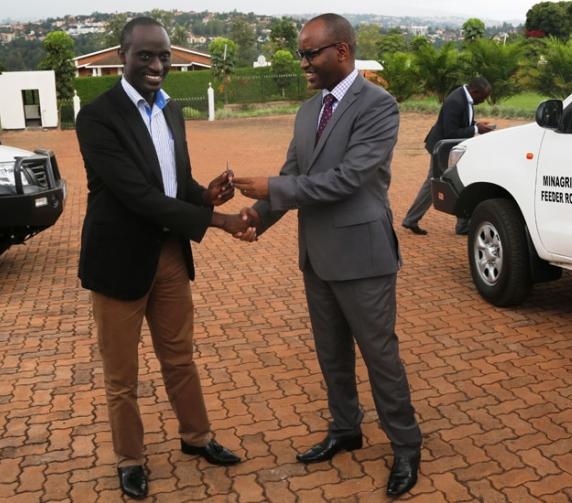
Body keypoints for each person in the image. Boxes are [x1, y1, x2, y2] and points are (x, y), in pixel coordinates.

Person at [232, 13, 423, 498]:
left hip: (363, 256)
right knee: (332, 355)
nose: (303, 63)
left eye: (311, 53)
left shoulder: (379, 107)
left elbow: (347, 180)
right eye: (301, 54)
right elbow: (294, 176)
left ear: (341, 51)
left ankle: (405, 445)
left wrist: (274, 186)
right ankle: (346, 429)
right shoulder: (306, 112)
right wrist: (255, 217)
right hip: (316, 256)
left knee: (380, 355)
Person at [75, 17, 252, 500]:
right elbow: (137, 196)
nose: (158, 65)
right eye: (146, 55)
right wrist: (222, 223)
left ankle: (197, 439)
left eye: (165, 56)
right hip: (119, 262)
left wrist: (204, 197)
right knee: (121, 375)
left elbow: (173, 182)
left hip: (169, 254)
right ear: (122, 55)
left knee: (180, 358)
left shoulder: (171, 110)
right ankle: (130, 459)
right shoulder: (97, 116)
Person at [401, 77, 494, 236]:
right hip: (443, 148)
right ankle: (413, 219)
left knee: (456, 181)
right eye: (483, 98)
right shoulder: (456, 101)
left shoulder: (465, 97)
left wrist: (476, 125)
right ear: (475, 92)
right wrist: (476, 130)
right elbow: (450, 133)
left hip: (450, 148)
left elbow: (461, 123)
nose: (483, 101)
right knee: (437, 183)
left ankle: (461, 224)